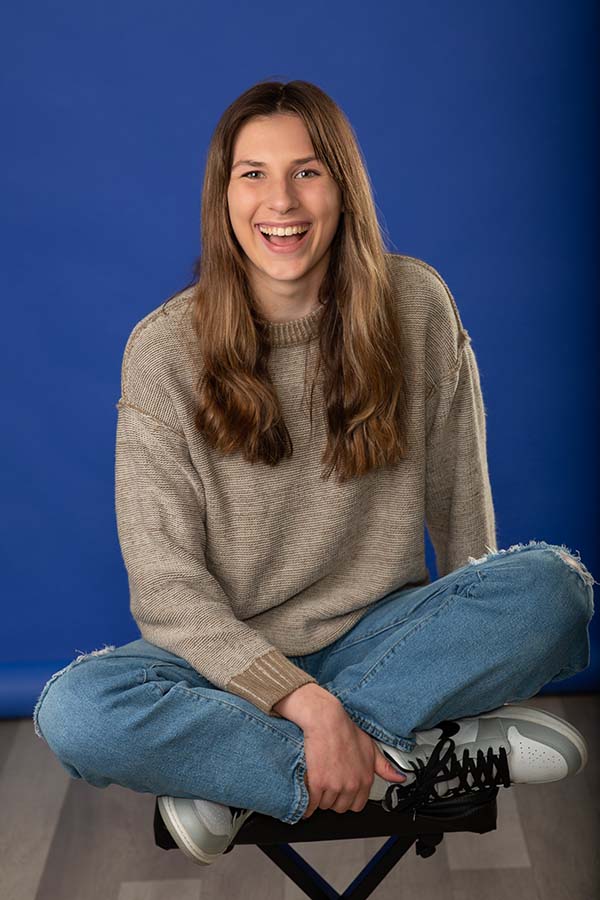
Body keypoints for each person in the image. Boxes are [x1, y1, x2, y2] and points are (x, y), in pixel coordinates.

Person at [33, 79, 596, 868]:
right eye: (252, 173)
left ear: (343, 185)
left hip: (387, 638)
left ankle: (235, 776)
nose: (281, 201)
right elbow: (166, 587)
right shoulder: (163, 352)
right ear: (223, 197)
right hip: (220, 665)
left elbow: (465, 518)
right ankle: (406, 762)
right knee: (75, 712)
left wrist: (474, 668)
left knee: (556, 589)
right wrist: (300, 700)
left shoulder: (417, 305)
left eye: (307, 171)